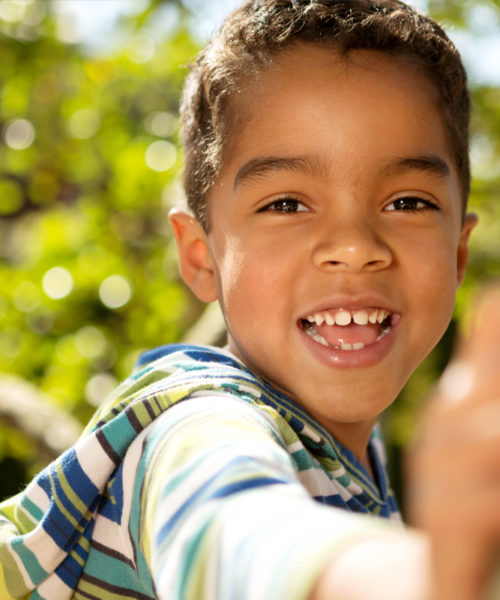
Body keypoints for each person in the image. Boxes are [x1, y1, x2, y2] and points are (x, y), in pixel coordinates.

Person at [0, 0, 497, 598]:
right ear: (200, 257)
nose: (355, 246)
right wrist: (430, 576)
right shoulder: (197, 426)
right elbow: (235, 536)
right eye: (286, 204)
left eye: (408, 202)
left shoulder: (349, 452)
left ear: (460, 251)